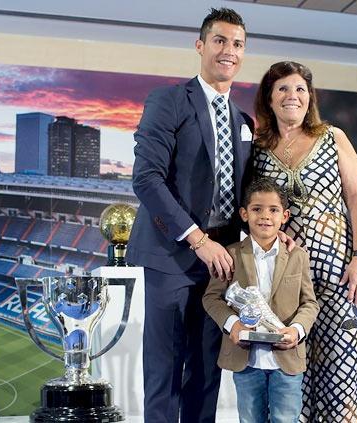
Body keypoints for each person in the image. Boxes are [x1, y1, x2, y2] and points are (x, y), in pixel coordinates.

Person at [127, 8, 253, 423]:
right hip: (172, 253)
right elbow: (147, 179)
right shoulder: (169, 101)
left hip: (221, 261)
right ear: (200, 46)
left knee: (205, 370)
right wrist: (198, 239)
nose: (228, 51)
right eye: (219, 40)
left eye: (237, 44)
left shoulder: (243, 121)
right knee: (164, 368)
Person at [253, 61, 357, 422]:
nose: (293, 96)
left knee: (343, 370)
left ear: (310, 97)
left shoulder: (332, 136)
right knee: (293, 377)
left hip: (339, 273)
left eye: (301, 89)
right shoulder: (258, 148)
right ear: (269, 98)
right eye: (284, 89)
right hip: (285, 279)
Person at [203, 177, 319, 423]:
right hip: (246, 360)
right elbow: (211, 298)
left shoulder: (298, 256)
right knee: (249, 419)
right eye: (257, 209)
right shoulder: (230, 254)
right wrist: (233, 324)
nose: (265, 216)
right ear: (244, 214)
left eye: (273, 210)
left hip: (287, 360)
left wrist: (297, 330)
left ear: (285, 216)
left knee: (285, 418)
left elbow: (310, 303)